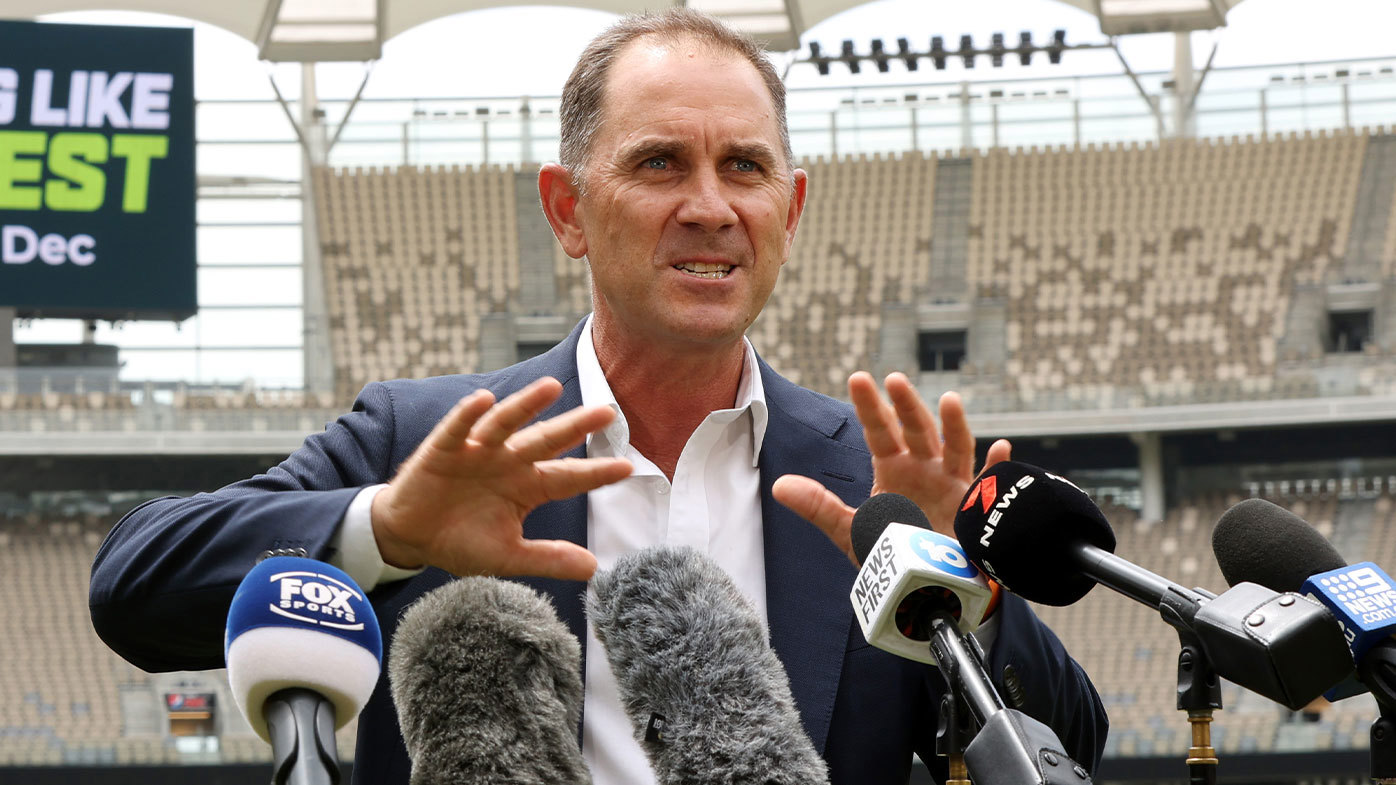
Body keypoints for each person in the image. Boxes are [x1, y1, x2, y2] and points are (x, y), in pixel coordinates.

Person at [90, 9, 1106, 784]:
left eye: (744, 167)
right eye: (660, 162)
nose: (709, 206)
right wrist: (388, 528)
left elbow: (1073, 743)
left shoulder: (864, 482)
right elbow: (134, 583)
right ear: (567, 210)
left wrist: (962, 593)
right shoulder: (427, 442)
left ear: (788, 212)